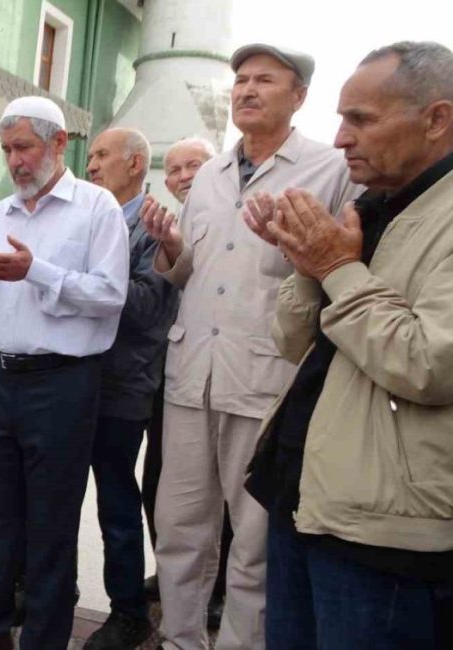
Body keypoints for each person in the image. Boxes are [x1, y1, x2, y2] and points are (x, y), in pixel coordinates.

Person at [140, 44, 360, 650]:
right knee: (179, 529)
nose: (247, 90)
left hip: (266, 380)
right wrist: (167, 248)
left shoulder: (327, 169)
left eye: (266, 79)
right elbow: (193, 270)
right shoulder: (208, 174)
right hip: (191, 377)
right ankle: (181, 640)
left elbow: (343, 264)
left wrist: (294, 248)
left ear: (299, 96)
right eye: (240, 80)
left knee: (255, 541)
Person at [243, 40, 453, 650]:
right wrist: (308, 262)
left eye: (361, 119)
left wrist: (336, 267)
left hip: (382, 535)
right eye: (340, 119)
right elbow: (290, 340)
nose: (339, 139)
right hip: (305, 500)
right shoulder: (371, 206)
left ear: (436, 119)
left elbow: (429, 363)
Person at [0, 96, 130, 650]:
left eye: (25, 147)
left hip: (63, 384)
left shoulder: (97, 209)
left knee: (51, 522)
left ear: (60, 143)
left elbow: (110, 296)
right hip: (4, 380)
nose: (14, 161)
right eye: (7, 149)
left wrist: (34, 270)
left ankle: (43, 638)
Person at [82, 127, 178, 649]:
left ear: (136, 163)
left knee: (116, 502)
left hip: (123, 386)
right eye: (90, 155)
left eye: (102, 155)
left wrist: (85, 278)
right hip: (71, 379)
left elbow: (147, 310)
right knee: (53, 496)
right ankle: (44, 588)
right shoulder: (87, 218)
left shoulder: (155, 225)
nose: (92, 165)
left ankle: (128, 611)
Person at [142, 136, 230, 631]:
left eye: (192, 165)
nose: (181, 176)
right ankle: (174, 575)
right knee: (162, 485)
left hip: (224, 373)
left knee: (224, 496)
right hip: (172, 372)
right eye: (173, 169)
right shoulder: (172, 227)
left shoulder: (230, 216)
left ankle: (215, 590)